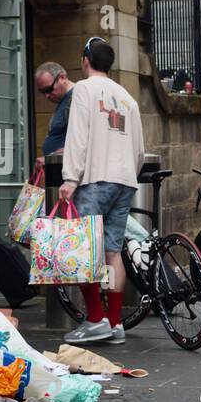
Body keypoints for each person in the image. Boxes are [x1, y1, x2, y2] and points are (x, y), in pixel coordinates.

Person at [59, 37, 145, 346]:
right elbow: (139, 148)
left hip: (95, 178)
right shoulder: (127, 97)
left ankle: (95, 319)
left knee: (84, 250)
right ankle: (115, 322)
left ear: (85, 60)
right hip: (124, 180)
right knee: (112, 251)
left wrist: (70, 178)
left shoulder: (83, 89)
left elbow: (78, 134)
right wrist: (127, 175)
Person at [33, 61, 74, 174]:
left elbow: (84, 144)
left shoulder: (76, 98)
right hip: (57, 173)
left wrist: (50, 158)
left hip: (68, 177)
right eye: (42, 92)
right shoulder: (64, 101)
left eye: (49, 89)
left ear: (62, 78)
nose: (47, 95)